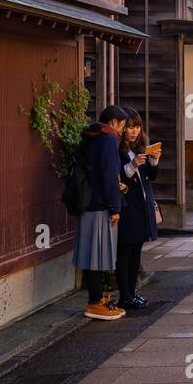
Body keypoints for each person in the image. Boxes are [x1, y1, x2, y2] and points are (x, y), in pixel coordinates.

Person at [73, 106, 128, 320]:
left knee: (91, 253)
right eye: (123, 126)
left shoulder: (91, 136)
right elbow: (110, 176)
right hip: (100, 205)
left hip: (88, 202)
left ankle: (97, 298)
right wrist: (115, 207)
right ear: (114, 122)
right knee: (97, 254)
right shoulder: (107, 140)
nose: (122, 131)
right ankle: (94, 303)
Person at [114, 108, 161, 309]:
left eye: (137, 127)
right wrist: (132, 165)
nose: (134, 131)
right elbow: (118, 177)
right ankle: (124, 295)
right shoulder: (118, 150)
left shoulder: (140, 147)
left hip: (142, 206)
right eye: (130, 127)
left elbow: (152, 176)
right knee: (124, 251)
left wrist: (154, 160)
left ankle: (132, 294)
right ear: (123, 129)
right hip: (127, 207)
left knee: (136, 251)